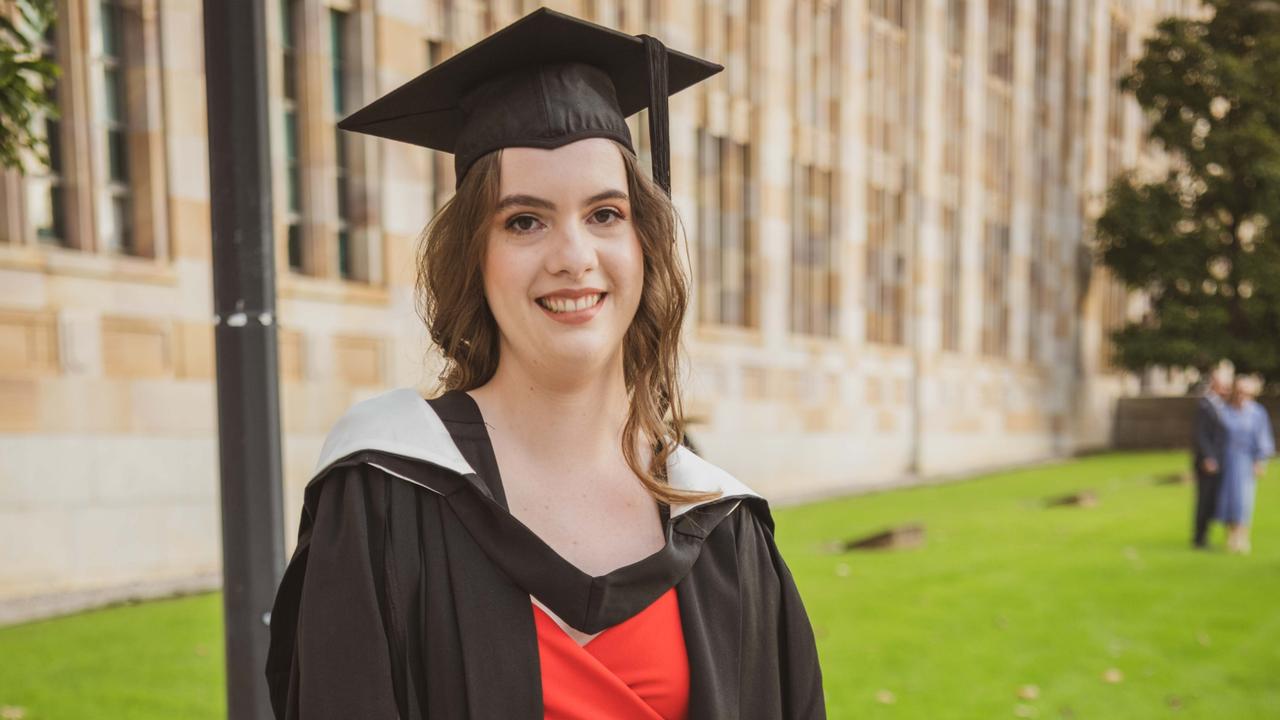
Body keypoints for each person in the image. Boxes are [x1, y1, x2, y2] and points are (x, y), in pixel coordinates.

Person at [264, 8, 825, 719]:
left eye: (605, 214)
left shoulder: (719, 524)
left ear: (644, 245)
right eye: (524, 220)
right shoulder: (385, 496)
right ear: (475, 254)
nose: (572, 257)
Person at [1215, 375, 1275, 554]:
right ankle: (1230, 535)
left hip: (1246, 461)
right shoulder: (1225, 411)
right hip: (1226, 460)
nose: (1242, 396)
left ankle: (1242, 536)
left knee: (1243, 500)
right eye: (1239, 392)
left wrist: (1260, 461)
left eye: (1246, 393)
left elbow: (1263, 439)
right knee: (1226, 499)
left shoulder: (1257, 412)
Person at [1190, 365, 1231, 548]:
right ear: (1214, 383)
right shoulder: (1205, 405)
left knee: (1213, 499)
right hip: (1208, 462)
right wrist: (1208, 457)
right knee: (1204, 500)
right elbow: (1201, 434)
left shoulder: (1219, 405)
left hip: (1219, 460)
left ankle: (1205, 535)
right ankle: (1199, 538)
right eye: (1223, 384)